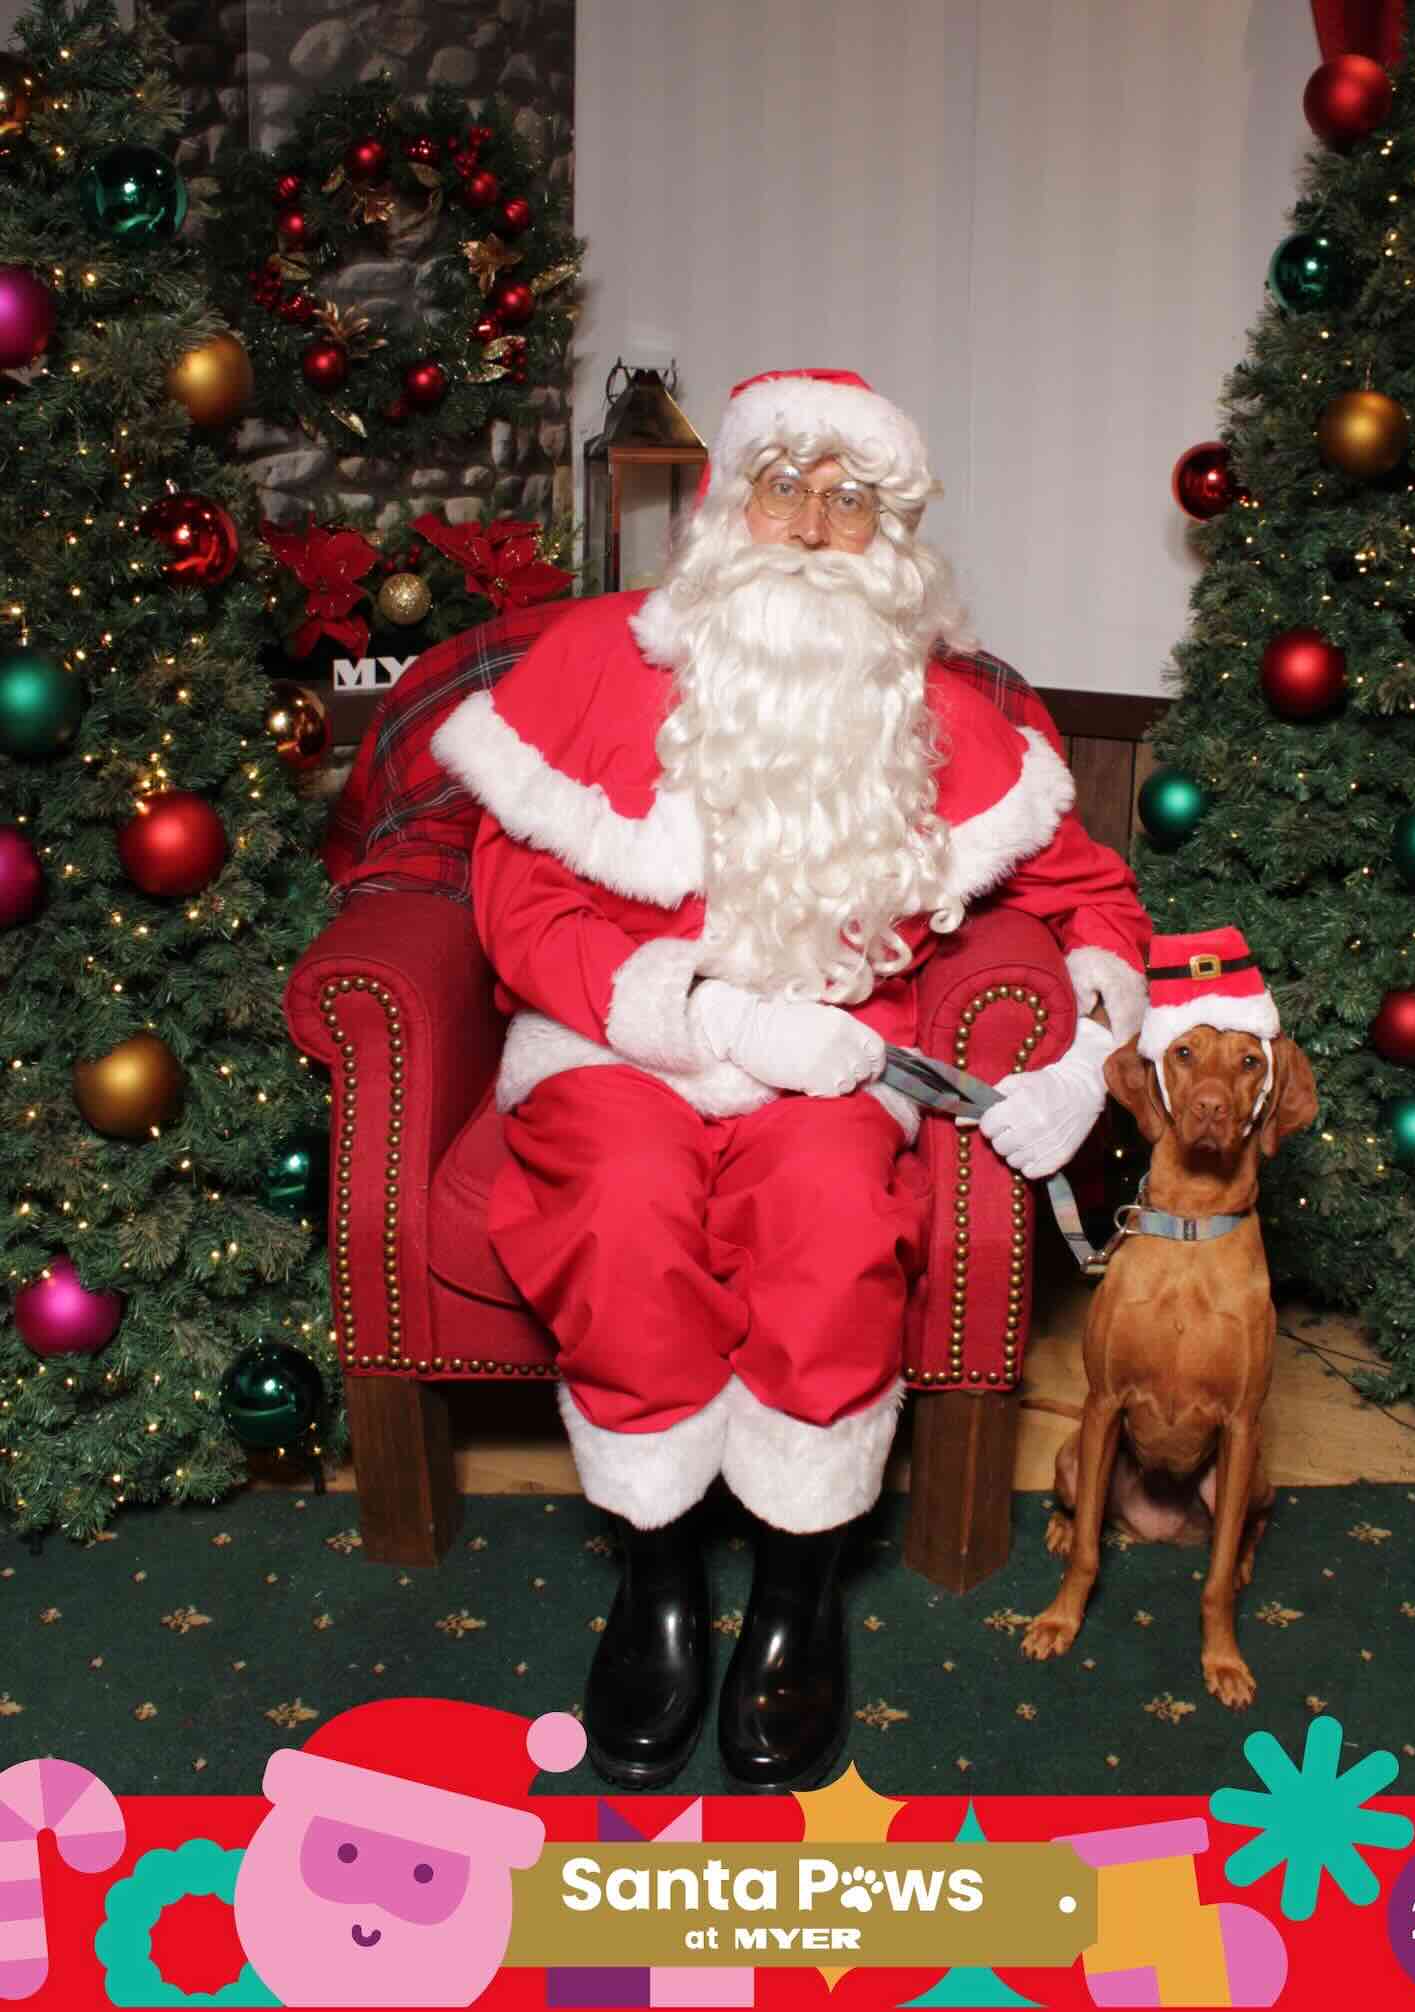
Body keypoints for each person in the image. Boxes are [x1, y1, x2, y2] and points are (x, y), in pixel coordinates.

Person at [432, 368, 1152, 1793]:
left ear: (890, 538)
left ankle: (796, 1586)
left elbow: (1089, 893)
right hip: (613, 1037)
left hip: (837, 1051)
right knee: (623, 1206)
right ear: (726, 501)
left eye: (850, 499)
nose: (812, 526)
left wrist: (1085, 1045)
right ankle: (653, 1576)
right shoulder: (593, 659)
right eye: (784, 485)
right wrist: (698, 1014)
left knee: (829, 1215)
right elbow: (514, 906)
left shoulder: (946, 708)